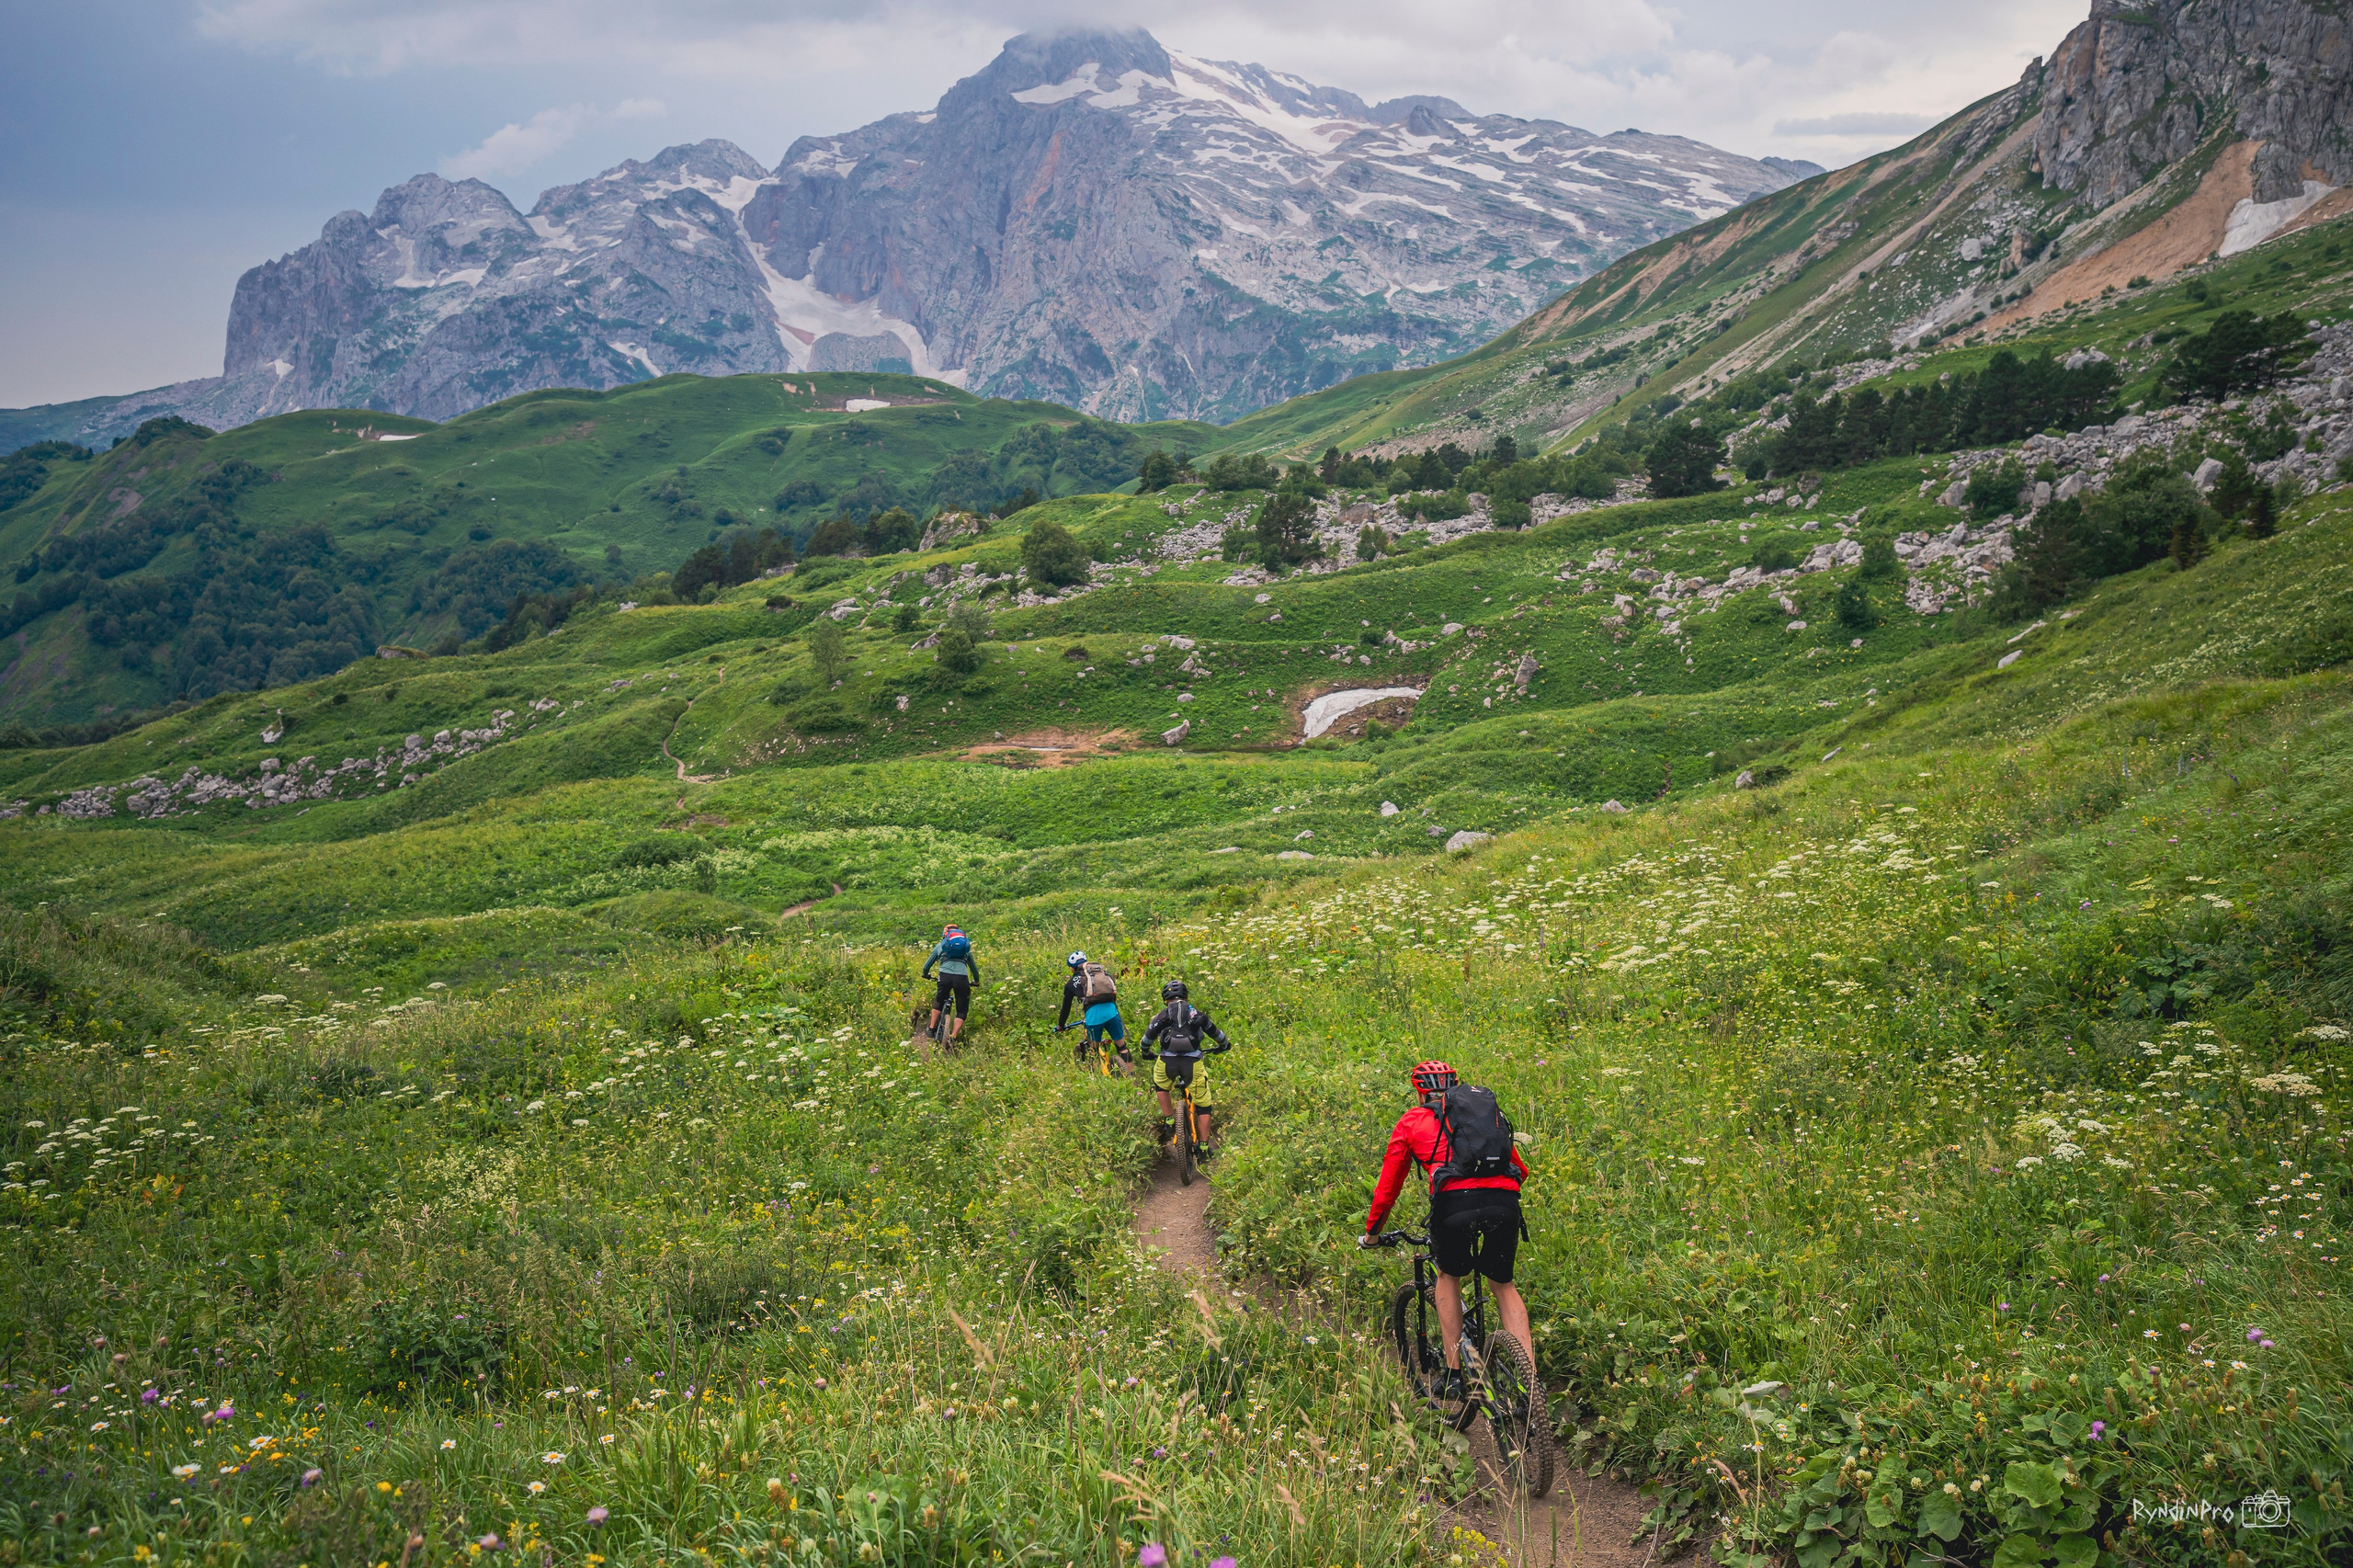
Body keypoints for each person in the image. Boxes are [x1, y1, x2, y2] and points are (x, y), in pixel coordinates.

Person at [1360, 1061, 1530, 1396]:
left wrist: (1373, 1234)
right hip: (1504, 1202)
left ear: (1420, 1091)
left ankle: (1454, 1374)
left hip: (1454, 1207)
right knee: (1504, 1285)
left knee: (1447, 1277)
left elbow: (1388, 1187)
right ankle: (1531, 1380)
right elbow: (1519, 1169)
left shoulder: (1412, 1121)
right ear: (1455, 1084)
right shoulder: (1479, 1116)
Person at [1141, 980, 1233, 1159]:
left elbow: (1146, 1040)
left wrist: (1146, 1053)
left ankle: (1169, 1121)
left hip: (1167, 1062)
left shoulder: (1162, 1016)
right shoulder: (1196, 1014)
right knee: (1204, 1106)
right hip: (1193, 1064)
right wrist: (1224, 1045)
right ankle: (1204, 1149)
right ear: (1186, 996)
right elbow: (1217, 1034)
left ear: (1165, 999)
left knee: (1161, 1085)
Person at [1054, 950, 1130, 1069]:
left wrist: (1060, 1026)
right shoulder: (1100, 973)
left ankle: (1093, 1076)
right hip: (1112, 1012)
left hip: (1094, 1017)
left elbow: (1066, 1007)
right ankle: (1131, 1078)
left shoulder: (1071, 983)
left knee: (1092, 1051)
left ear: (1071, 968)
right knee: (1122, 1047)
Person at [921, 925, 980, 1044]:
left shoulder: (940, 946)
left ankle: (932, 1029)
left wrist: (926, 974)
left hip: (944, 977)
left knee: (940, 999)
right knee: (962, 1009)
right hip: (962, 979)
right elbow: (974, 970)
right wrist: (976, 981)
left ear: (945, 935)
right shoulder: (965, 949)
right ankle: (953, 1037)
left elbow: (926, 966)